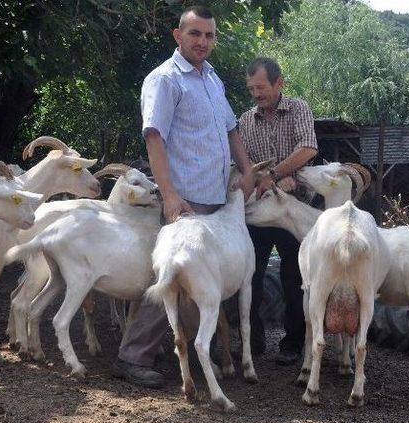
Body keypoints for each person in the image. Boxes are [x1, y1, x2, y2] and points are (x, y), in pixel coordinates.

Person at [112, 6, 255, 388]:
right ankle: (132, 356)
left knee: (201, 282)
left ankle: (191, 352)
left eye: (209, 35)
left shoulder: (212, 79)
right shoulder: (164, 79)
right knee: (172, 277)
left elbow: (231, 128)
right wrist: (170, 195)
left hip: (215, 196)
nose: (203, 42)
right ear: (178, 35)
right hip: (186, 199)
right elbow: (154, 135)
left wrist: (248, 170)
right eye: (195, 34)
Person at [239, 57, 318, 365]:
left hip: (294, 208)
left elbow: (309, 148)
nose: (256, 94)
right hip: (260, 209)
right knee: (250, 273)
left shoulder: (298, 108)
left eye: (261, 87)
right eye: (251, 88)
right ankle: (252, 340)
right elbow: (244, 164)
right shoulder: (245, 120)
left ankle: (293, 343)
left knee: (295, 275)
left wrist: (280, 174)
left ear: (278, 83)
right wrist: (261, 179)